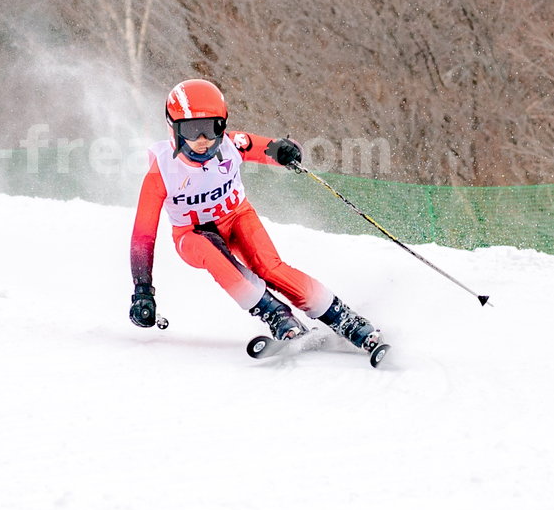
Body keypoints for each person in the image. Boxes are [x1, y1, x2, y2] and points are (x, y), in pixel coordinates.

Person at [129, 79, 381, 350]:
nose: (202, 140)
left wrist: (286, 150)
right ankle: (276, 315)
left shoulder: (231, 144)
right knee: (213, 253)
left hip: (236, 217)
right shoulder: (161, 172)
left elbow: (270, 147)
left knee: (270, 268)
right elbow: (143, 236)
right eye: (191, 131)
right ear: (174, 130)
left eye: (211, 129)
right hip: (190, 234)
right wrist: (143, 290)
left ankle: (343, 318)